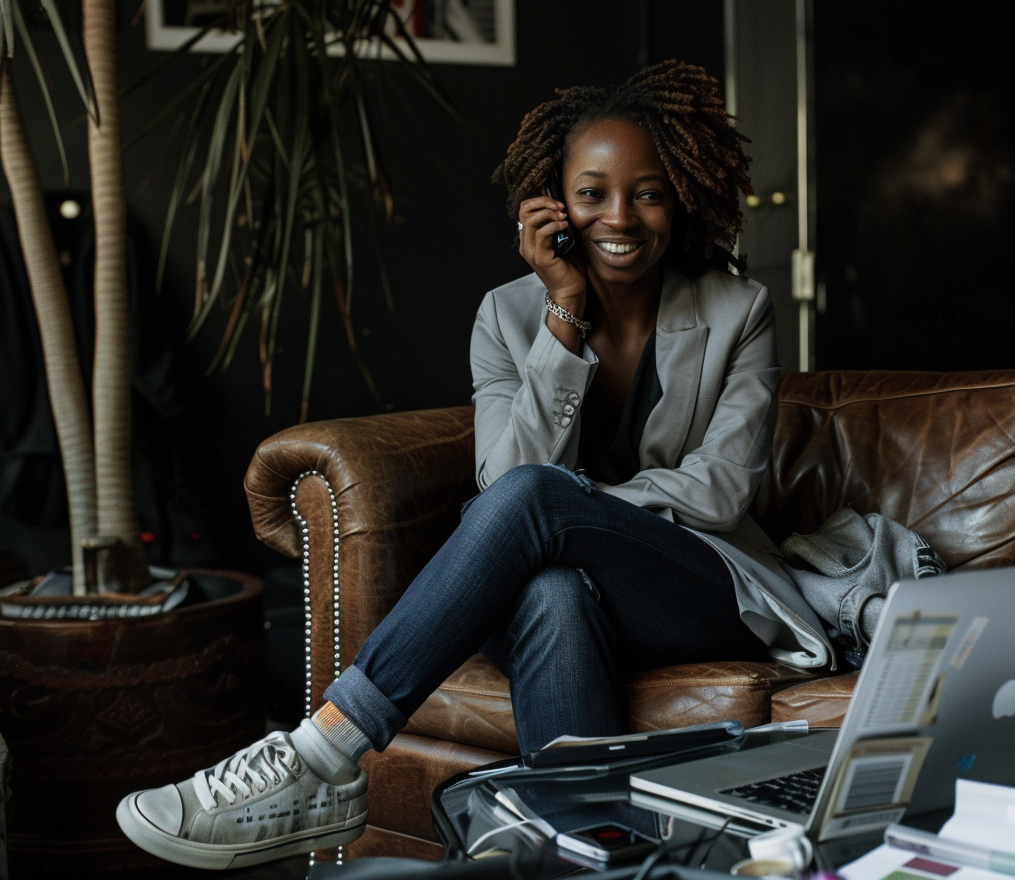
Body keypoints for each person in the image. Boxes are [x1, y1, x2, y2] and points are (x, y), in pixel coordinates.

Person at [115, 60, 831, 870]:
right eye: (592, 193)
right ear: (554, 202)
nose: (621, 215)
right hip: (563, 592)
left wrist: (569, 515)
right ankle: (580, 850)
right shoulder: (508, 315)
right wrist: (563, 315)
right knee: (551, 585)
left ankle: (321, 756)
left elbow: (721, 489)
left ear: (684, 196)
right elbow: (506, 478)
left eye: (649, 191)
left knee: (540, 509)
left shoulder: (741, 310)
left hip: (696, 589)